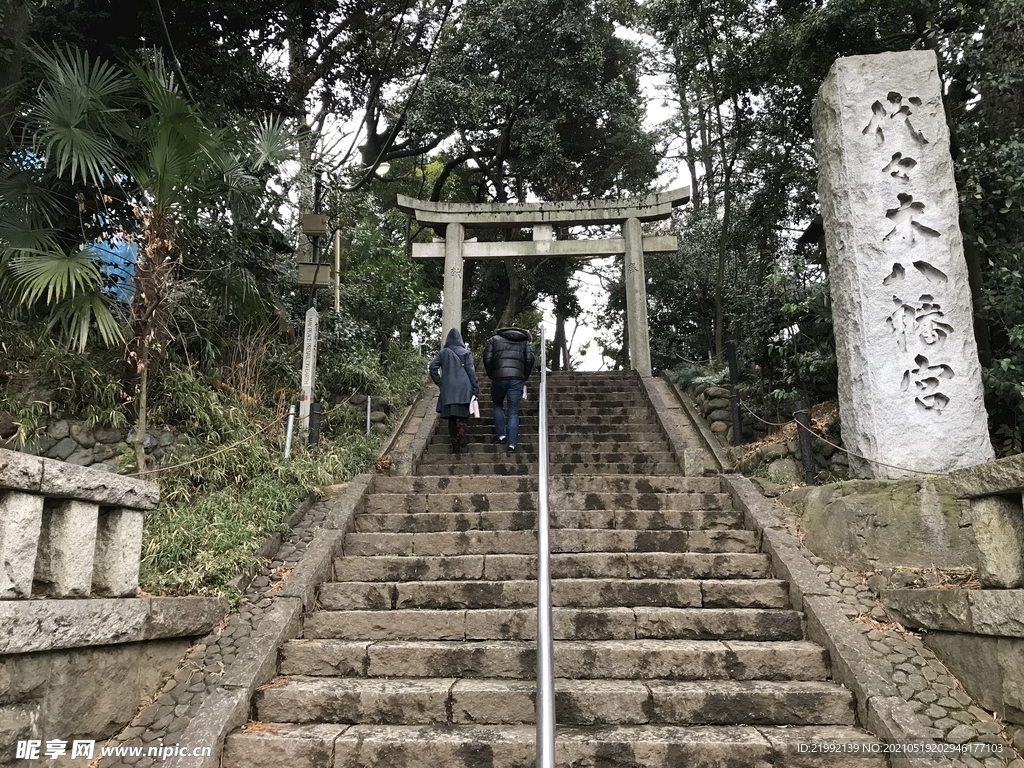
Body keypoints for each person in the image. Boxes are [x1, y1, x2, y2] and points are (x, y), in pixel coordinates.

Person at [483, 327, 535, 452]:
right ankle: (512, 444)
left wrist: (492, 374)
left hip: (498, 378)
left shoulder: (493, 340)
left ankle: (502, 436)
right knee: (513, 412)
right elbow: (530, 359)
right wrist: (524, 376)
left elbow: (487, 358)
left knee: (497, 405)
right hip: (516, 379)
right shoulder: (525, 342)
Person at [429, 328, 480, 455]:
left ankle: (454, 441)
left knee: (451, 418)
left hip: (449, 389)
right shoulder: (466, 353)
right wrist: (475, 388)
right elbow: (471, 372)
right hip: (464, 388)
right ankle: (462, 431)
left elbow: (432, 367)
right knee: (464, 414)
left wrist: (439, 382)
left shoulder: (443, 353)